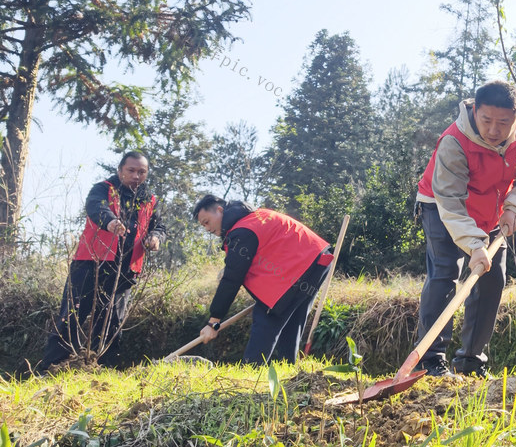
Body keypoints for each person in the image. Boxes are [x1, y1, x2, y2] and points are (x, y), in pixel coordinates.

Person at [414, 80, 516, 377]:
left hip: (493, 210)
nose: (494, 130)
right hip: (442, 205)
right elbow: (450, 200)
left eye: (503, 122)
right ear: (475, 111)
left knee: (493, 278)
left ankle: (470, 362)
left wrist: (515, 209)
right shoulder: (455, 141)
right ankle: (429, 361)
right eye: (486, 120)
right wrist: (475, 246)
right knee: (445, 272)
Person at [38, 151, 165, 372]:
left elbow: (159, 227)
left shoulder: (150, 200)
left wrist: (155, 238)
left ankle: (104, 371)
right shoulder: (103, 189)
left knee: (112, 322)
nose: (136, 176)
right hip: (90, 264)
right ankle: (51, 369)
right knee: (72, 316)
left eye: (141, 172)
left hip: (125, 271)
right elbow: (96, 208)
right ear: (120, 170)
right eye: (131, 170)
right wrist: (111, 222)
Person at [192, 195, 333, 364]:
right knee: (292, 319)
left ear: (220, 210)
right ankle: (286, 369)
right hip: (317, 260)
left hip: (301, 266)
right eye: (203, 226)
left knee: (267, 315)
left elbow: (232, 279)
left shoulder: (241, 231)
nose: (207, 229)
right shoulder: (254, 218)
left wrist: (213, 322)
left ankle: (251, 372)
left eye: (206, 222)